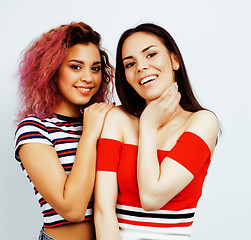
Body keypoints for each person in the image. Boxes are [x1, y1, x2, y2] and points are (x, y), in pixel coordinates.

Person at [94, 23, 219, 240]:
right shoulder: (117, 119)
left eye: (151, 54)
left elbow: (152, 198)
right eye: (130, 63)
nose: (141, 67)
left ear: (174, 60)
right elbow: (103, 210)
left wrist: (148, 125)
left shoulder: (203, 122)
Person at [14, 22, 114, 240]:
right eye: (76, 66)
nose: (88, 77)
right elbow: (72, 209)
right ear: (52, 70)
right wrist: (89, 134)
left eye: (95, 68)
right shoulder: (34, 128)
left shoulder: (104, 121)